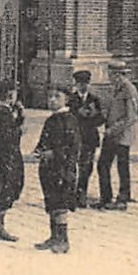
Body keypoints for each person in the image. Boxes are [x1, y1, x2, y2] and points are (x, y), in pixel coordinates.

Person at [33, 87, 82, 253]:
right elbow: (44, 139)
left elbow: (72, 147)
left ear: (66, 100)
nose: (52, 100)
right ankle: (54, 236)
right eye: (50, 96)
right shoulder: (52, 119)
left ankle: (63, 240)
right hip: (49, 168)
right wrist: (39, 150)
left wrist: (53, 153)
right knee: (52, 201)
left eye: (57, 96)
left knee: (61, 203)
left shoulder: (69, 120)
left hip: (62, 168)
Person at [96, 60, 138, 210]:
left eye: (114, 74)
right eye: (110, 74)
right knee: (103, 165)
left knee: (121, 166)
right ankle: (106, 198)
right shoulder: (115, 89)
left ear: (121, 75)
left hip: (122, 135)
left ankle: (122, 198)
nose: (111, 77)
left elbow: (131, 117)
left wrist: (113, 129)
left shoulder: (129, 90)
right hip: (111, 134)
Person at [0, 79, 25, 244]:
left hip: (10, 154)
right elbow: (3, 135)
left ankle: (1, 227)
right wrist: (19, 130)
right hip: (4, 155)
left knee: (11, 187)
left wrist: (19, 115)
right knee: (3, 189)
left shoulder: (6, 110)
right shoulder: (1, 112)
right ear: (9, 94)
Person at [69, 68, 104, 210]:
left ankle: (81, 194)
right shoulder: (71, 100)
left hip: (89, 138)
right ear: (76, 84)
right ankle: (71, 196)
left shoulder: (94, 100)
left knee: (86, 167)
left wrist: (93, 115)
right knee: (72, 166)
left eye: (86, 83)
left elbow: (101, 119)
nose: (83, 86)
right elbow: (69, 119)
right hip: (75, 138)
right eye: (80, 83)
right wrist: (79, 114)